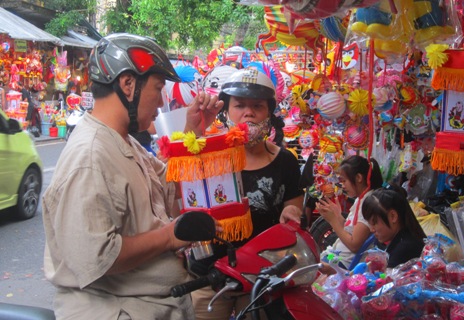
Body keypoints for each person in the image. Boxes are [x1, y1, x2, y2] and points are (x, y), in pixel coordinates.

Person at [42, 33, 223, 320]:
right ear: (128, 85)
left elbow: (169, 185)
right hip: (119, 311)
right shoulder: (90, 156)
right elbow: (96, 256)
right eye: (158, 87)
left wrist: (194, 132)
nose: (162, 102)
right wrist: (169, 236)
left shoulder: (125, 142)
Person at [191, 68, 304, 320]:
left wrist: (291, 213)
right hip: (208, 277)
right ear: (226, 111)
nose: (248, 112)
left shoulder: (286, 161)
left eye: (257, 106)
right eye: (239, 105)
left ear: (269, 113)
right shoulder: (207, 154)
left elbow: (293, 212)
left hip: (260, 277)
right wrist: (195, 128)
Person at [316, 155, 383, 271]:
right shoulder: (361, 199)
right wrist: (337, 215)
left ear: (358, 178)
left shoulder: (368, 202)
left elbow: (354, 245)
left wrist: (333, 221)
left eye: (344, 180)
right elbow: (350, 231)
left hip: (344, 263)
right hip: (338, 255)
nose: (343, 185)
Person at [362, 185, 427, 268]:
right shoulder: (401, 238)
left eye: (374, 223)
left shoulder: (405, 249)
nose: (371, 229)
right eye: (369, 223)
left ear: (393, 216)